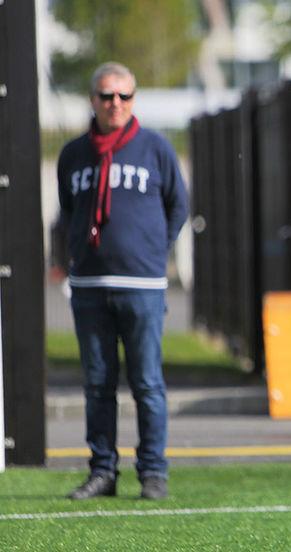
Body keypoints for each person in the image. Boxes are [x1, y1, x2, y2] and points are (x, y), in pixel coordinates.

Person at [56, 62, 189, 500]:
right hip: (91, 286)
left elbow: (178, 205)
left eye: (123, 96)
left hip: (143, 286)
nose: (115, 103)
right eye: (106, 96)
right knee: (97, 384)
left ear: (133, 100)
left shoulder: (155, 148)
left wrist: (154, 252)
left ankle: (153, 472)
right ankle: (103, 472)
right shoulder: (74, 154)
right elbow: (68, 210)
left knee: (147, 383)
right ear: (93, 100)